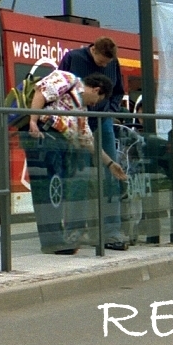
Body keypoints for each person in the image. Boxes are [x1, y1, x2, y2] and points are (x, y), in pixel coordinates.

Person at [22, 69, 127, 255]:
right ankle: (53, 242)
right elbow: (41, 92)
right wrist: (33, 120)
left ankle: (55, 240)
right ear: (96, 89)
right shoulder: (67, 79)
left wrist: (110, 164)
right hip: (44, 135)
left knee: (56, 191)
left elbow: (88, 141)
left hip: (59, 144)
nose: (96, 104)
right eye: (98, 100)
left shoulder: (81, 112)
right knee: (47, 190)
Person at [59, 37, 128, 251]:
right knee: (78, 175)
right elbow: (59, 83)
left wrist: (111, 111)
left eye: (108, 63)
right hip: (77, 117)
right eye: (101, 61)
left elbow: (118, 91)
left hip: (102, 117)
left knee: (110, 175)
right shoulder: (73, 58)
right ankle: (75, 230)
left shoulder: (112, 63)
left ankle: (111, 231)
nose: (104, 66)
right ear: (93, 50)